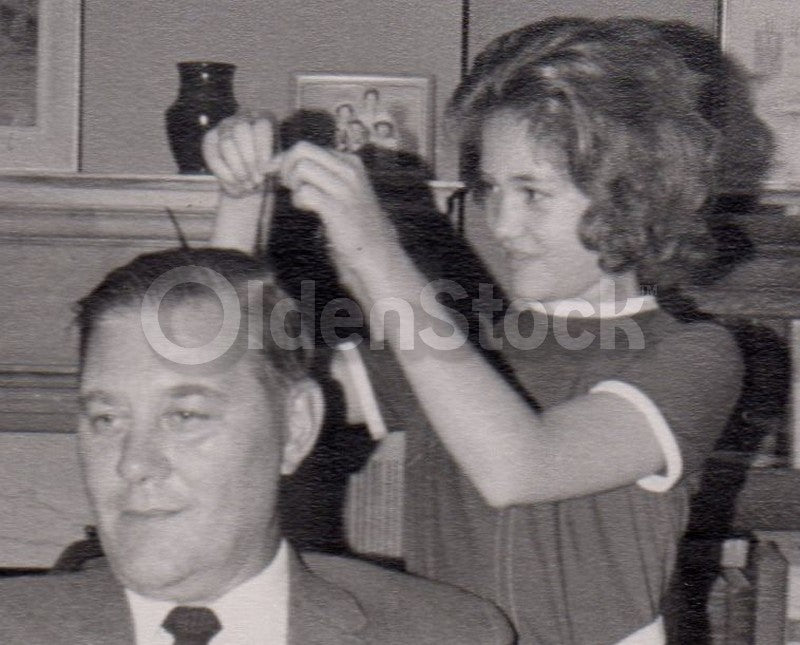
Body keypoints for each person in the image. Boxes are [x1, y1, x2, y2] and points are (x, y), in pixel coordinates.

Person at [201, 17, 771, 644]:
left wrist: (373, 249)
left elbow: (519, 468)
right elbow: (241, 392)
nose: (500, 222)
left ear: (630, 193)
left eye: (533, 193)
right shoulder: (460, 347)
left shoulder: (696, 356)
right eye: (491, 189)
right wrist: (240, 200)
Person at [0, 249, 514, 645]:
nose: (134, 463)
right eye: (107, 419)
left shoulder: (443, 635)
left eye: (184, 416)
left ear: (295, 427)